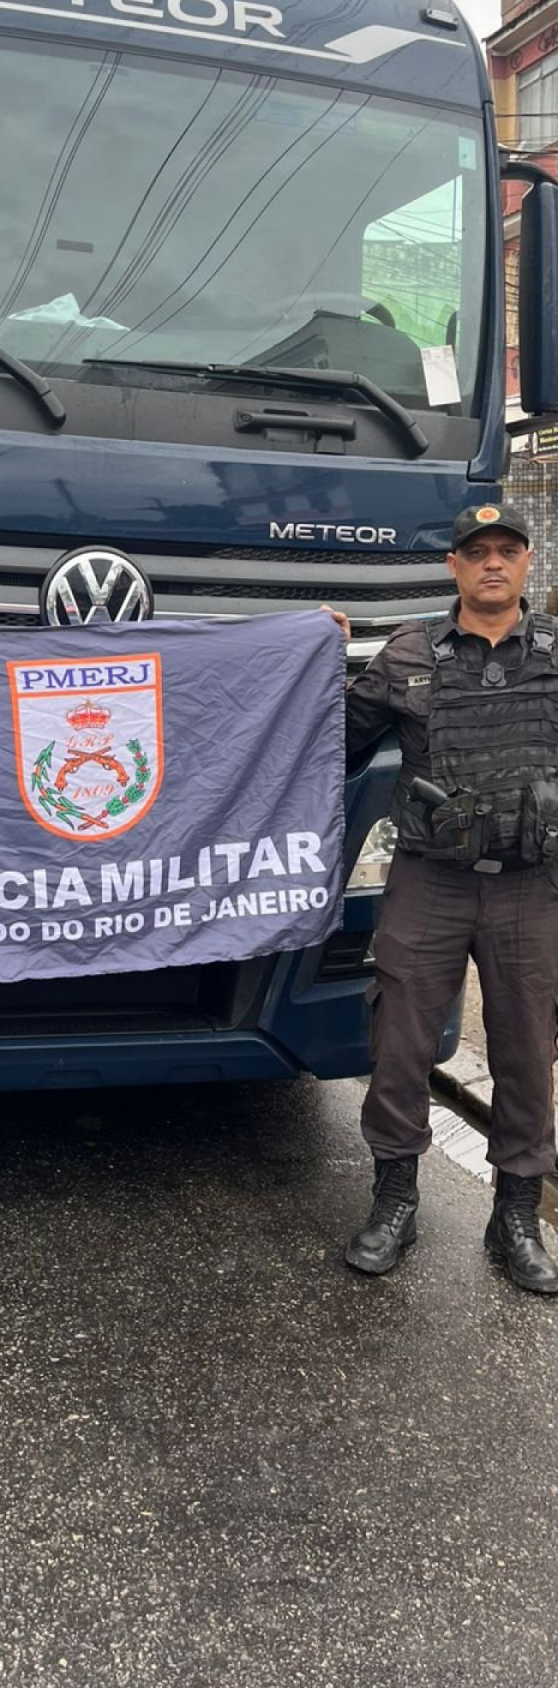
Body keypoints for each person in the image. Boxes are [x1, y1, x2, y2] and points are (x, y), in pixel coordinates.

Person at [334, 502, 558, 1294]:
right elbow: (335, 742)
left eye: (507, 550)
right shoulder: (408, 653)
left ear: (526, 561)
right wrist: (312, 662)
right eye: (477, 551)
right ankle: (395, 1199)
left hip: (530, 886)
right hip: (430, 881)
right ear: (453, 566)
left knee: (526, 1050)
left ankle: (517, 1215)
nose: (492, 562)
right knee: (399, 1042)